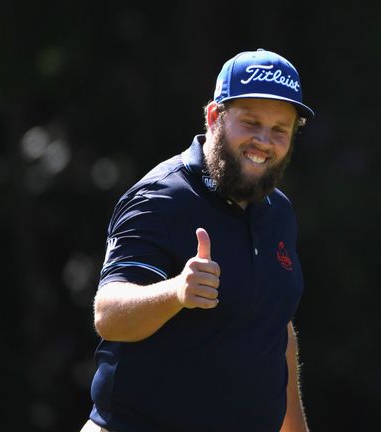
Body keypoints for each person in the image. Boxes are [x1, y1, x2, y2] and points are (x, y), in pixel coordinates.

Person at [82, 48, 314, 432]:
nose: (264, 141)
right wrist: (176, 293)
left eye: (279, 130)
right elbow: (108, 315)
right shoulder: (161, 198)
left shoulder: (278, 212)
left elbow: (274, 327)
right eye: (251, 122)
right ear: (213, 117)